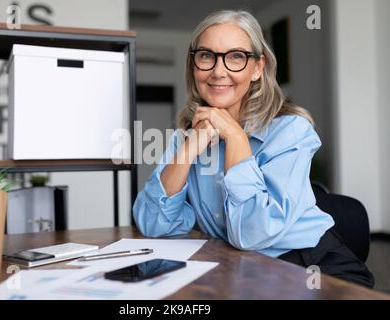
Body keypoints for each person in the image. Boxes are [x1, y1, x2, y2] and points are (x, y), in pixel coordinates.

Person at [132, 10, 374, 288]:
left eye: (236, 57)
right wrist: (189, 148)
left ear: (258, 68)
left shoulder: (291, 131)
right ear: (194, 66)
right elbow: (153, 224)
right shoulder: (186, 138)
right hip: (237, 266)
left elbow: (252, 234)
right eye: (206, 56)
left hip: (311, 267)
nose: (218, 71)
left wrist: (235, 137)